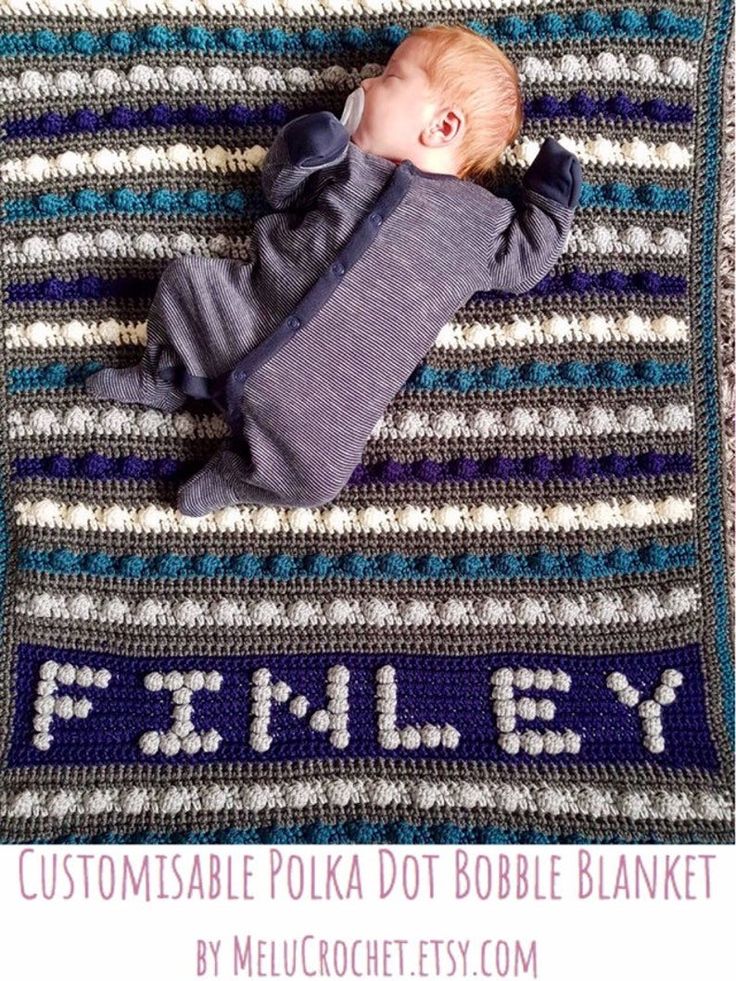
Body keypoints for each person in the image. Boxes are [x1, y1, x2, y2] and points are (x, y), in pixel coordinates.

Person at [85, 24, 582, 517]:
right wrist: (300, 150)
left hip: (323, 397)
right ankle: (164, 378)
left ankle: (239, 476)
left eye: (389, 76)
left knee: (321, 477)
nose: (363, 86)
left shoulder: (480, 222)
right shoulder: (348, 163)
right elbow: (280, 191)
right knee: (184, 281)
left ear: (442, 126)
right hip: (247, 312)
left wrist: (549, 204)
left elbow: (524, 264)